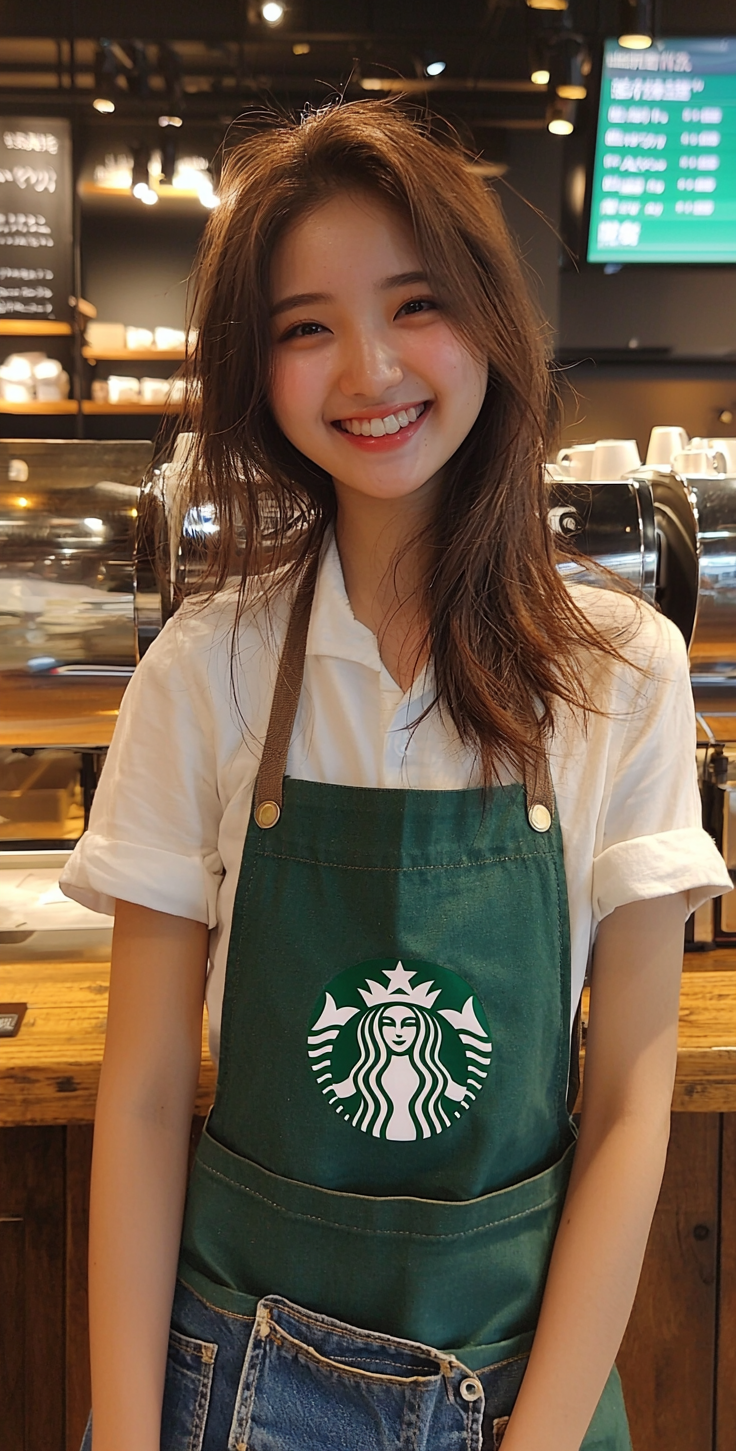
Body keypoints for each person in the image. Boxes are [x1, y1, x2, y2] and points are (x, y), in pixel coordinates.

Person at [61, 100, 731, 1451]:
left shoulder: (627, 671)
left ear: (489, 315)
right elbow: (137, 1101)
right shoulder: (206, 671)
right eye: (306, 326)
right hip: (232, 1378)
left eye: (412, 303)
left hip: (518, 1384)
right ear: (260, 371)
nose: (366, 368)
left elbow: (627, 1106)